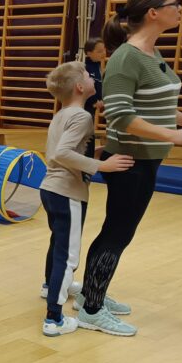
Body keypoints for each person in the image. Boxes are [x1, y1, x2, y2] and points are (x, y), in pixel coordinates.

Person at [77, 0, 182, 336]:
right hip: (130, 161)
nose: (180, 9)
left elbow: (159, 103)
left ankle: (91, 293)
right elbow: (120, 116)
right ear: (153, 12)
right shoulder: (126, 58)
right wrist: (176, 136)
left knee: (117, 231)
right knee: (118, 233)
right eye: (175, 4)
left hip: (147, 159)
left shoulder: (151, 52)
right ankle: (91, 309)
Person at [38, 61, 133, 337]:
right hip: (67, 192)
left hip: (51, 189)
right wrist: (102, 166)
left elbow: (63, 150)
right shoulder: (82, 117)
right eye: (89, 75)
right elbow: (62, 154)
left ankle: (49, 286)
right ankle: (54, 320)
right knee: (67, 257)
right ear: (80, 87)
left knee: (57, 243)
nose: (94, 78)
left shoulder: (62, 114)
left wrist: (96, 152)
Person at [82, 37, 107, 158]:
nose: (103, 53)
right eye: (99, 51)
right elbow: (82, 91)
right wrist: (93, 101)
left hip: (91, 109)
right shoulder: (84, 68)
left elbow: (98, 87)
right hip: (84, 109)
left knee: (90, 138)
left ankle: (89, 160)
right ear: (89, 53)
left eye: (104, 50)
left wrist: (100, 100)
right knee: (86, 138)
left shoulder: (97, 67)